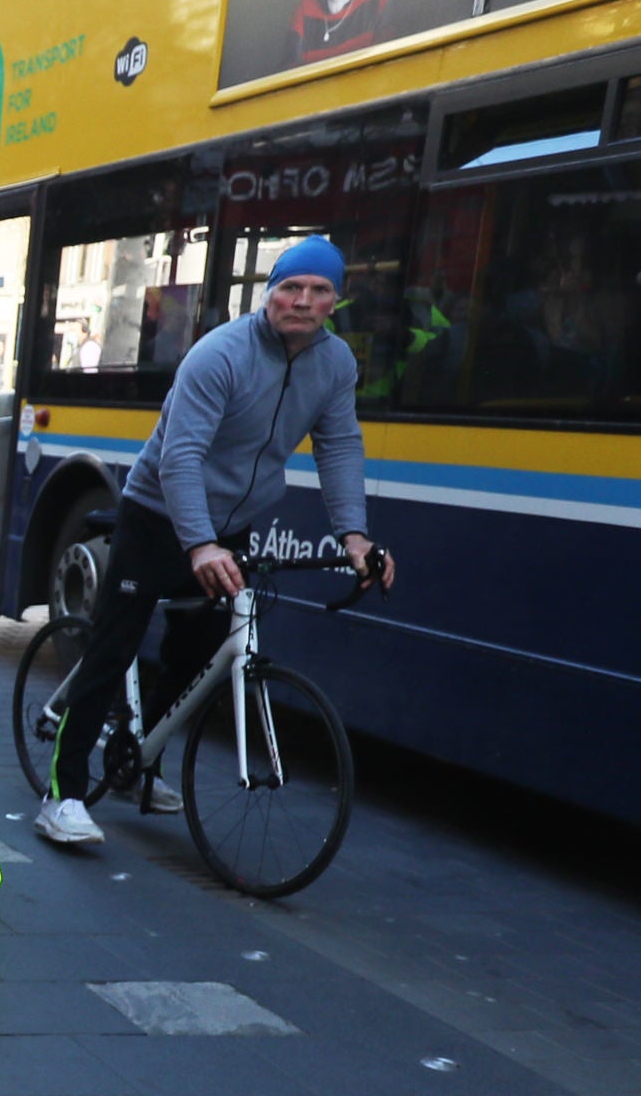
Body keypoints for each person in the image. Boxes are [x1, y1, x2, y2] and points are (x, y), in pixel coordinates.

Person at [39, 236, 395, 847]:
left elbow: (339, 446)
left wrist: (355, 537)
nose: (302, 301)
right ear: (269, 292)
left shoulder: (335, 364)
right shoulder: (220, 354)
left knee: (196, 655)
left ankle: (136, 763)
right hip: (158, 514)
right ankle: (64, 794)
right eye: (290, 287)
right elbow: (181, 455)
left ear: (335, 301)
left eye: (318, 291)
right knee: (112, 650)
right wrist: (199, 544)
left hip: (230, 524)